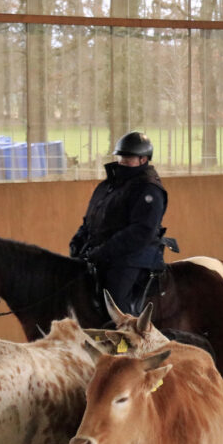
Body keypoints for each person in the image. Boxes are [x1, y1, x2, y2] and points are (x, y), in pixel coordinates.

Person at [69, 131, 168, 314]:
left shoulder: (149, 189)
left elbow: (141, 231)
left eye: (129, 158)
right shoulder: (107, 186)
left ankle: (125, 341)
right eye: (121, 156)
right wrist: (78, 241)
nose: (123, 161)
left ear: (143, 160)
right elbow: (91, 220)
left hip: (134, 256)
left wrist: (104, 251)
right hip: (103, 253)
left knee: (114, 303)